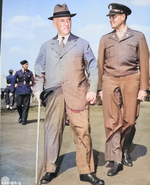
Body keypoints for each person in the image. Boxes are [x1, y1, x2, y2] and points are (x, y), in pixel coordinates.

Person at [33, 3, 104, 185]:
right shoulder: (45, 46)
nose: (67, 23)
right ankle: (50, 169)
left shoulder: (82, 43)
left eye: (69, 20)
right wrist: (38, 89)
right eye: (63, 20)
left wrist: (92, 89)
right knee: (52, 132)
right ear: (54, 23)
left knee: (83, 131)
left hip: (78, 94)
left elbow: (93, 68)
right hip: (54, 94)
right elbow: (39, 69)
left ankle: (86, 171)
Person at [97, 3, 149, 176]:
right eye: (109, 17)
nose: (110, 19)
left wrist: (144, 88)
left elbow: (144, 63)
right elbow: (99, 66)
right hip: (110, 80)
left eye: (114, 16)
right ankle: (117, 159)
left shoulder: (138, 36)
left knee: (130, 120)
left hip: (131, 78)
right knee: (111, 121)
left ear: (123, 16)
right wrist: (100, 88)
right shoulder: (105, 39)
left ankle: (125, 148)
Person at [11, 60, 34, 125]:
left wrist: (32, 85)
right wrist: (12, 90)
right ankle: (21, 116)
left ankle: (24, 119)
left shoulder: (30, 72)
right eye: (25, 64)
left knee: (26, 106)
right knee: (18, 105)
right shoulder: (18, 72)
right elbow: (14, 81)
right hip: (19, 90)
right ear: (22, 65)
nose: (27, 66)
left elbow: (32, 80)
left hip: (27, 90)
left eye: (27, 64)